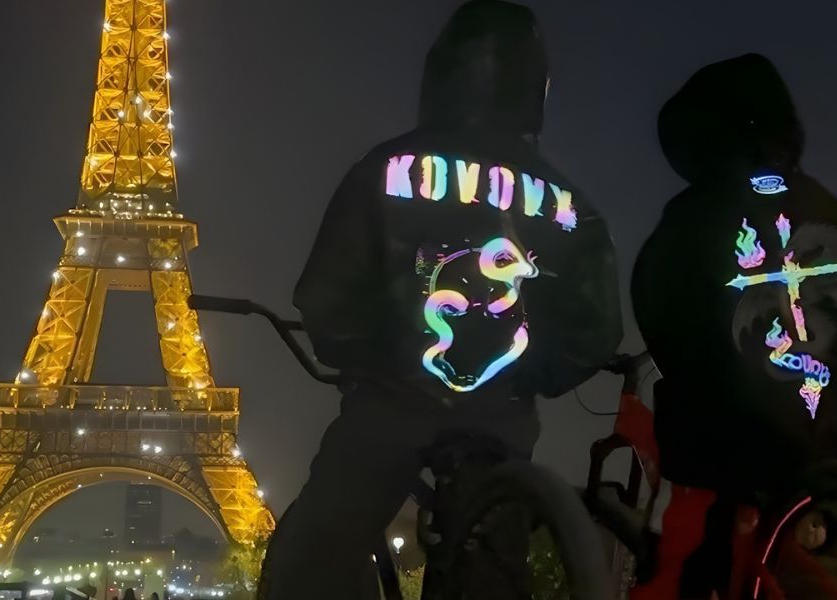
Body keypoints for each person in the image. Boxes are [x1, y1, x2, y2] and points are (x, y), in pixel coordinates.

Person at [264, 1, 622, 598]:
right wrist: (528, 377)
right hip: (502, 413)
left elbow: (326, 295)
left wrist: (365, 360)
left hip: (392, 403)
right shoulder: (570, 200)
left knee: (317, 552)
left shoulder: (383, 168)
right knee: (493, 558)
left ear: (440, 73)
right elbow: (597, 329)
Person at [630, 53, 837, 598]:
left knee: (696, 564)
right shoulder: (836, 210)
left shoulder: (695, 213)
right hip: (826, 449)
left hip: (723, 450)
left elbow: (659, 308)